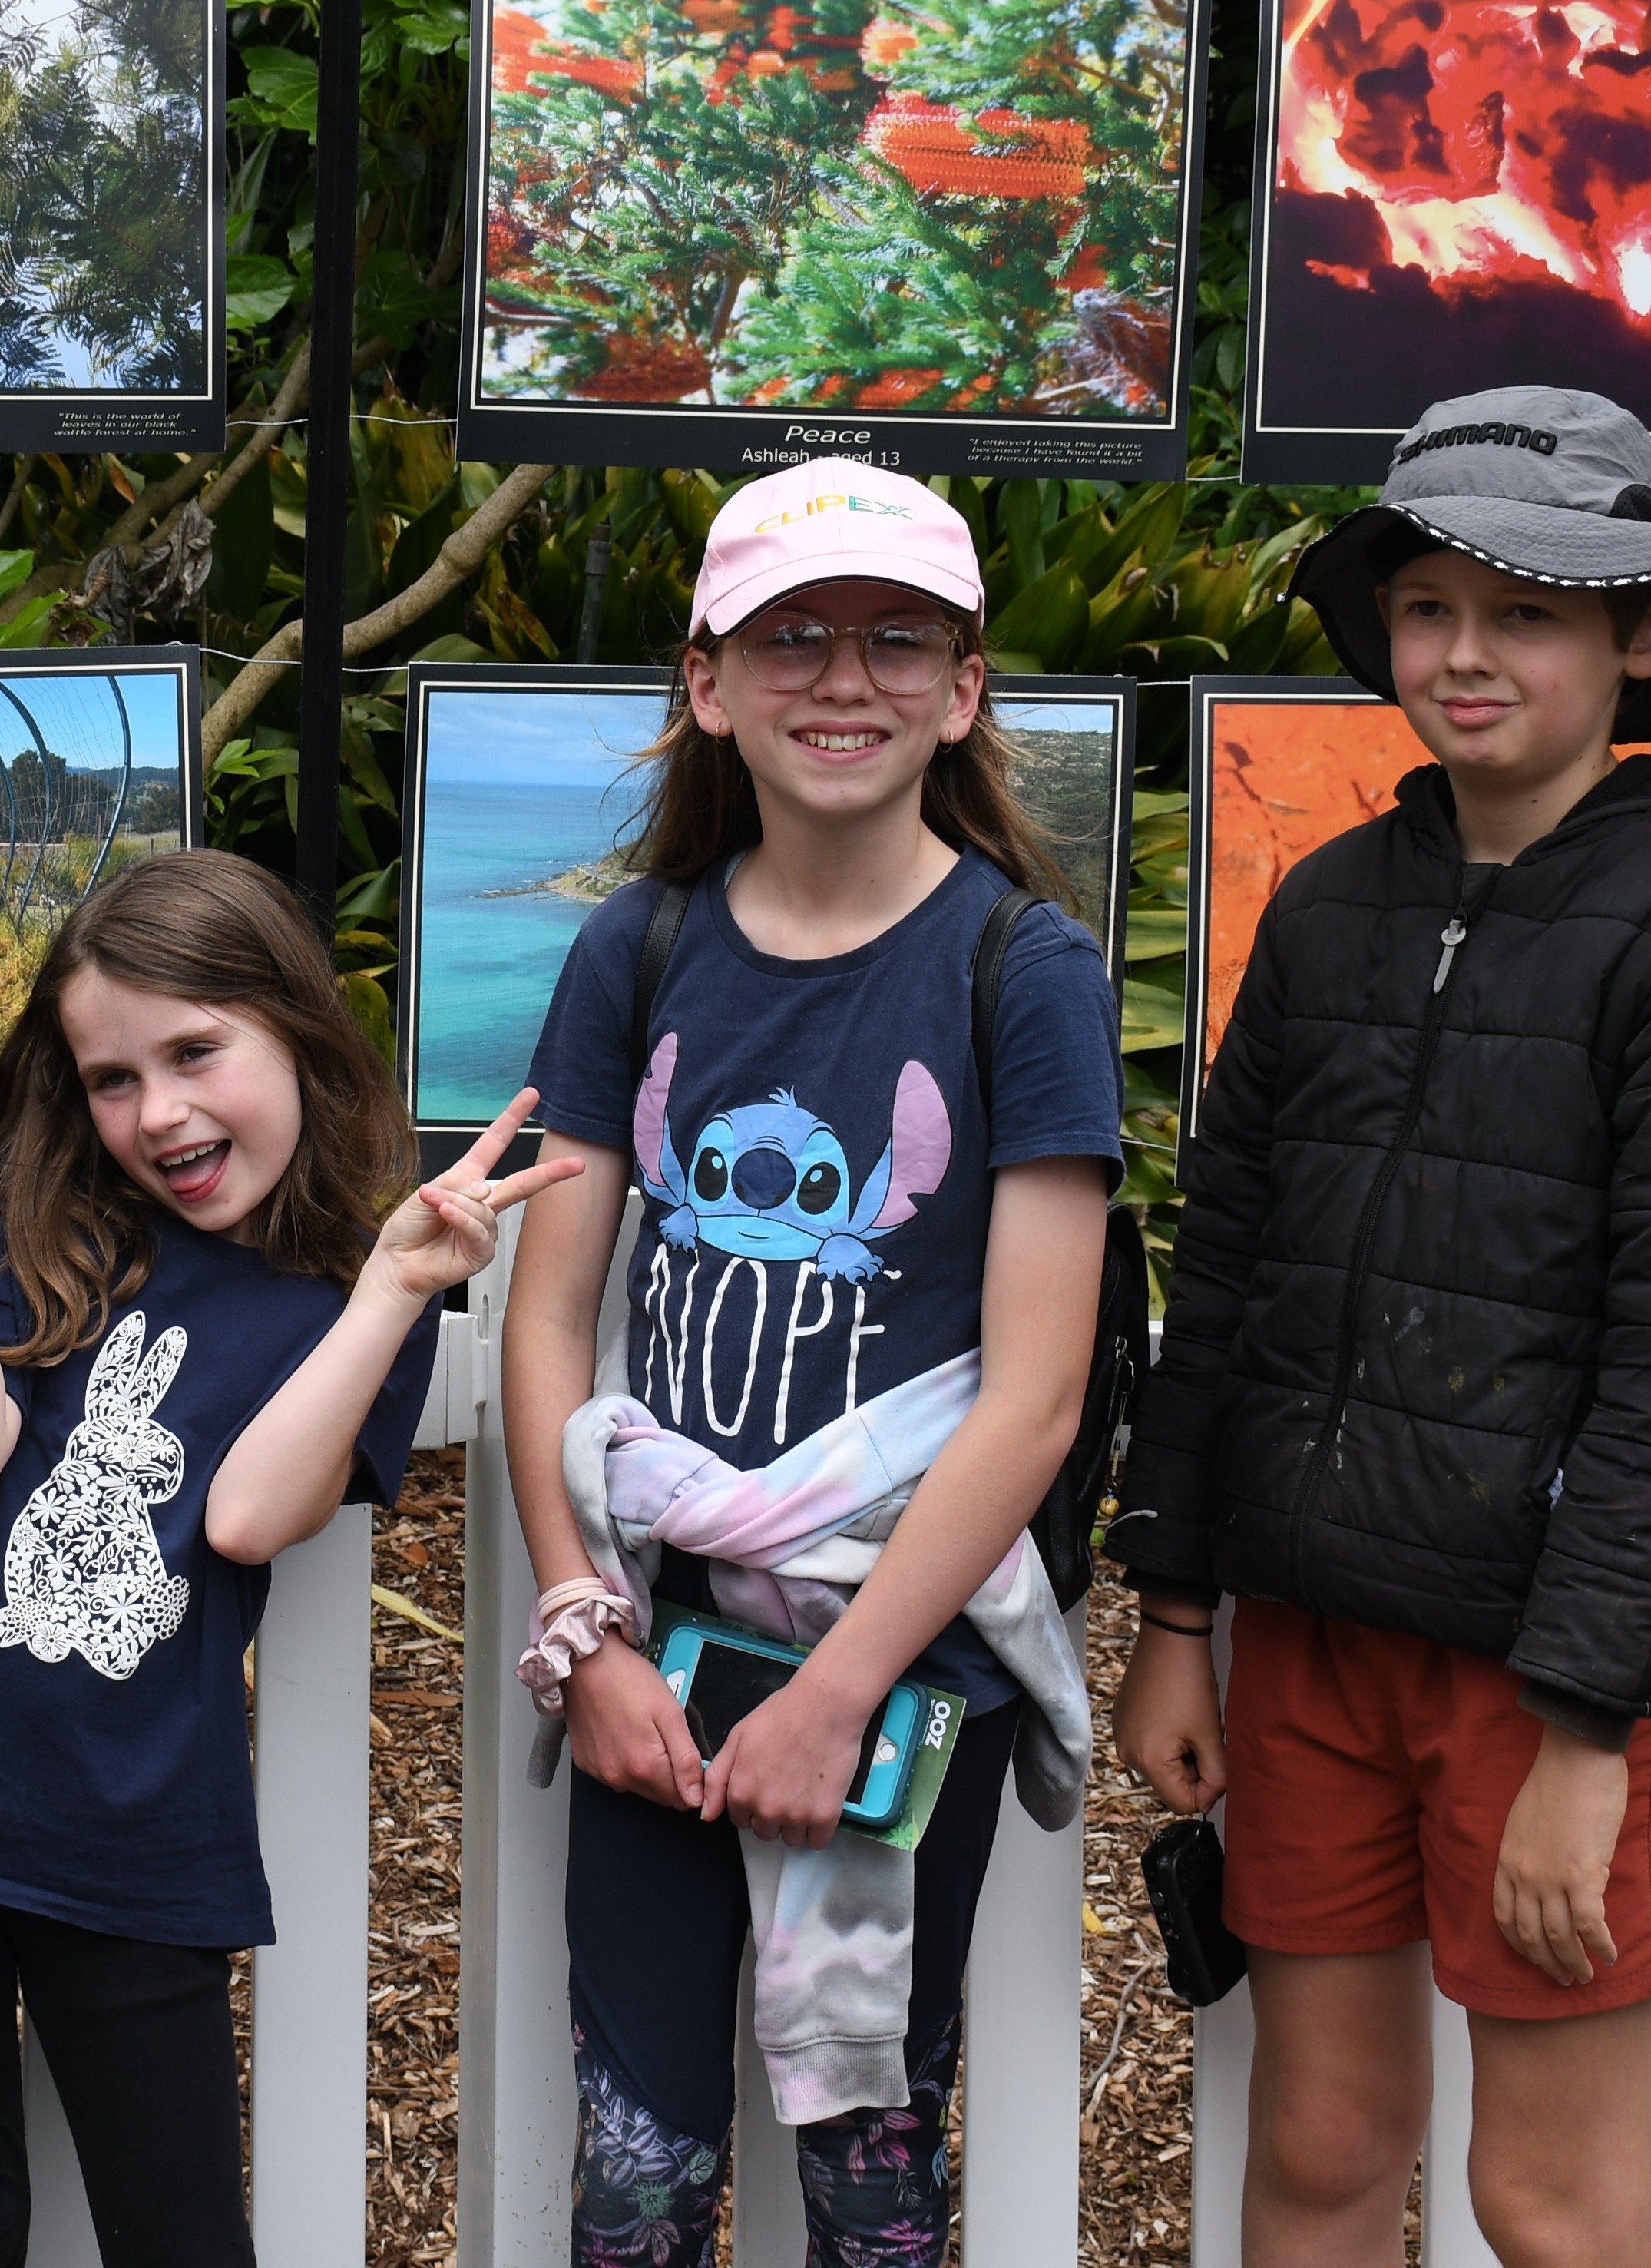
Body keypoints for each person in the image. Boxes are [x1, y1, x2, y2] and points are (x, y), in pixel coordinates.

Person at [1105, 389, 1651, 2268]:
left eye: (1528, 611)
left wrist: (1591, 1727)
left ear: (1645, 633)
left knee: (1550, 2198)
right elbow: (1237, 1275)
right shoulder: (1332, 903)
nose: (1465, 652)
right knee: (1325, 2148)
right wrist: (1178, 1615)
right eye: (1431, 604)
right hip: (1302, 1638)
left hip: (1545, 1676)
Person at [0, 849, 571, 2268]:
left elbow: (249, 1519)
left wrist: (388, 1290)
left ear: (301, 1037)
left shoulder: (358, 1299)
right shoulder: (45, 1215)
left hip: (135, 1834)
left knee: (183, 2234)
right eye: (113, 1077)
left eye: (198, 1052)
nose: (161, 1111)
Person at [495, 457, 1127, 2264]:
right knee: (636, 2163)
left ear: (964, 685)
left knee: (876, 2166)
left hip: (904, 1670)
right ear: (708, 682)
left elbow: (1033, 1392)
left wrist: (839, 1688)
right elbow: (551, 1314)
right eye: (790, 639)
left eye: (893, 639)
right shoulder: (643, 943)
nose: (842, 680)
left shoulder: (1023, 967)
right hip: (652, 1650)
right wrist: (582, 1627)